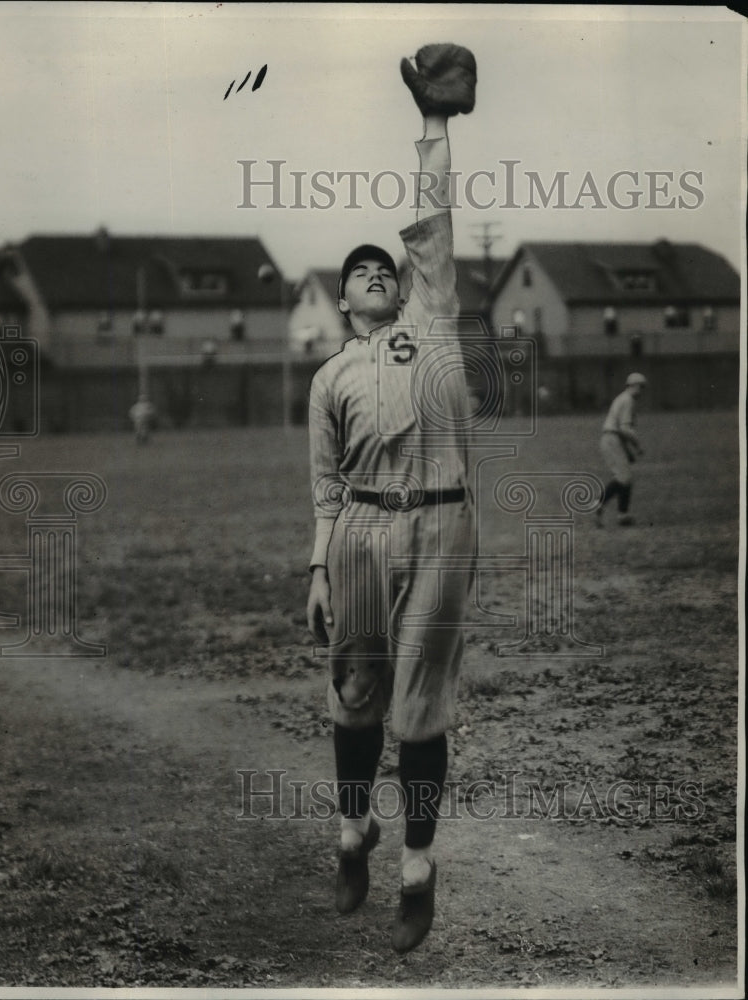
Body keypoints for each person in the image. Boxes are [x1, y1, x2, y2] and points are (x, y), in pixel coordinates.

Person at [306, 45, 477, 953]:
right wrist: (317, 566)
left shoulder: (430, 320)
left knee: (419, 702)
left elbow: (432, 214)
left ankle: (415, 864)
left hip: (444, 521)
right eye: (361, 270)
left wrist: (435, 124)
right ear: (342, 299)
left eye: (387, 267)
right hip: (361, 532)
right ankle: (349, 834)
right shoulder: (331, 376)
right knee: (354, 691)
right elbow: (324, 484)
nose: (378, 270)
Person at [595, 372, 647, 526]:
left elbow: (620, 428)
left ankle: (623, 515)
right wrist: (637, 445)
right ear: (634, 386)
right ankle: (598, 503)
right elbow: (625, 429)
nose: (642, 391)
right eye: (641, 387)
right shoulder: (628, 400)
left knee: (625, 477)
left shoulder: (622, 398)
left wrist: (628, 451)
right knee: (623, 477)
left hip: (612, 438)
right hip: (612, 439)